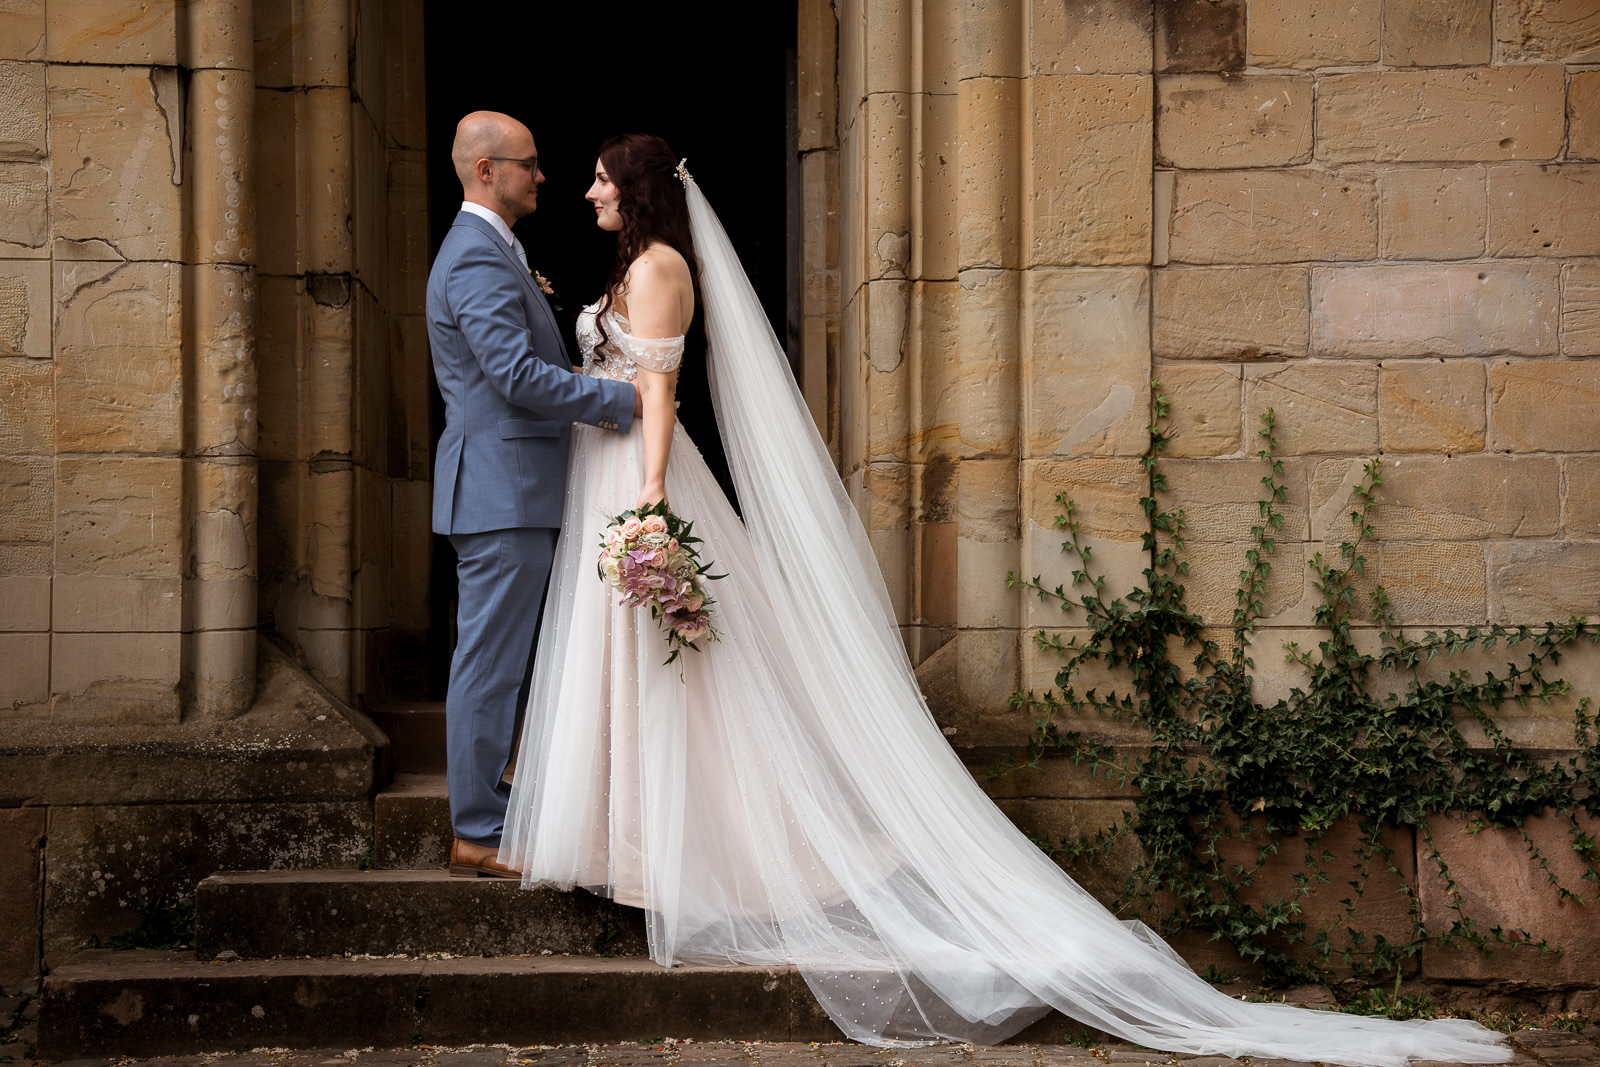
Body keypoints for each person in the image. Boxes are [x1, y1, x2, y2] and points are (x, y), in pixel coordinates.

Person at [498, 134, 1511, 1067]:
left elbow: (660, 392)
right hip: (612, 471)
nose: (584, 188)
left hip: (642, 475)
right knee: (627, 669)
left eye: (596, 175)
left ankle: (708, 853)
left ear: (631, 188)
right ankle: (624, 845)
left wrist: (648, 502)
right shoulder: (627, 269)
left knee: (694, 678)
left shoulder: (662, 267)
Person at [426, 112, 641, 879]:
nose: (542, 176)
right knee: (490, 664)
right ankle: (478, 831)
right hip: (500, 490)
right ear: (487, 170)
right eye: (530, 164)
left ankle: (493, 811)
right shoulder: (477, 258)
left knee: (505, 660)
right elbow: (513, 376)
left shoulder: (496, 251)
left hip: (512, 487)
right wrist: (623, 400)